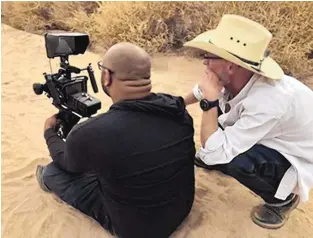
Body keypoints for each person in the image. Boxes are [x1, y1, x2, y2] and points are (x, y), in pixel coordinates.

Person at [36, 42, 196, 238]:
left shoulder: (95, 132)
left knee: (53, 171)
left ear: (106, 76)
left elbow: (67, 163)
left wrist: (49, 132)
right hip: (181, 208)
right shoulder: (177, 110)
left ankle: (44, 178)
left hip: (138, 230)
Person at [183, 14, 313, 229]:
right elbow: (202, 89)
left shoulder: (268, 100)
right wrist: (175, 103)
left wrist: (210, 102)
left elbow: (209, 97)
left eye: (210, 55)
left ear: (231, 66)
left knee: (235, 159)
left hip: (296, 153)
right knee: (219, 133)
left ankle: (282, 199)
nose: (204, 61)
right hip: (270, 133)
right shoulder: (238, 76)